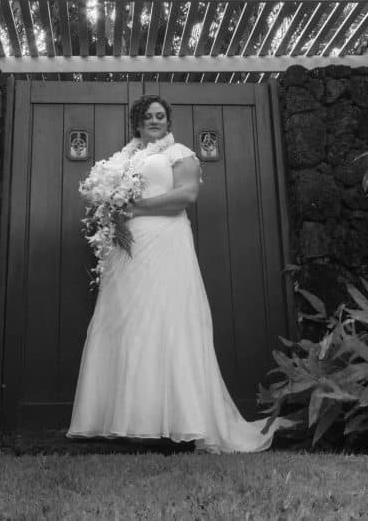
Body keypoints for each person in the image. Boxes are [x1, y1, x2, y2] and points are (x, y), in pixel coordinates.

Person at [67, 95, 292, 453]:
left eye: (161, 116)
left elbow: (187, 195)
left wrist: (133, 207)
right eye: (148, 116)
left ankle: (181, 419)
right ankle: (126, 418)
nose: (155, 120)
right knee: (125, 321)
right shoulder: (124, 158)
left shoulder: (180, 153)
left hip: (166, 242)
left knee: (166, 320)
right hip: (126, 249)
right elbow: (106, 199)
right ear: (137, 122)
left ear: (168, 122)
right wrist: (111, 213)